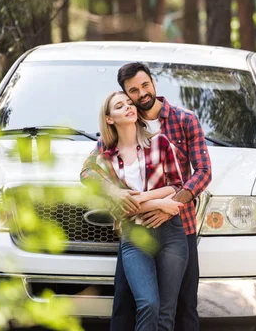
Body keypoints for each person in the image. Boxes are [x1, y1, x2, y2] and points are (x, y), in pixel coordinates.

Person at [81, 62, 212, 331]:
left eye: (145, 85)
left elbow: (203, 171)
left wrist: (171, 204)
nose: (141, 93)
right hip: (135, 229)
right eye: (133, 91)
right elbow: (88, 170)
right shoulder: (122, 129)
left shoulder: (183, 120)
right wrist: (113, 191)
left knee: (183, 306)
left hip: (179, 225)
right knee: (126, 304)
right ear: (126, 95)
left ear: (153, 82)